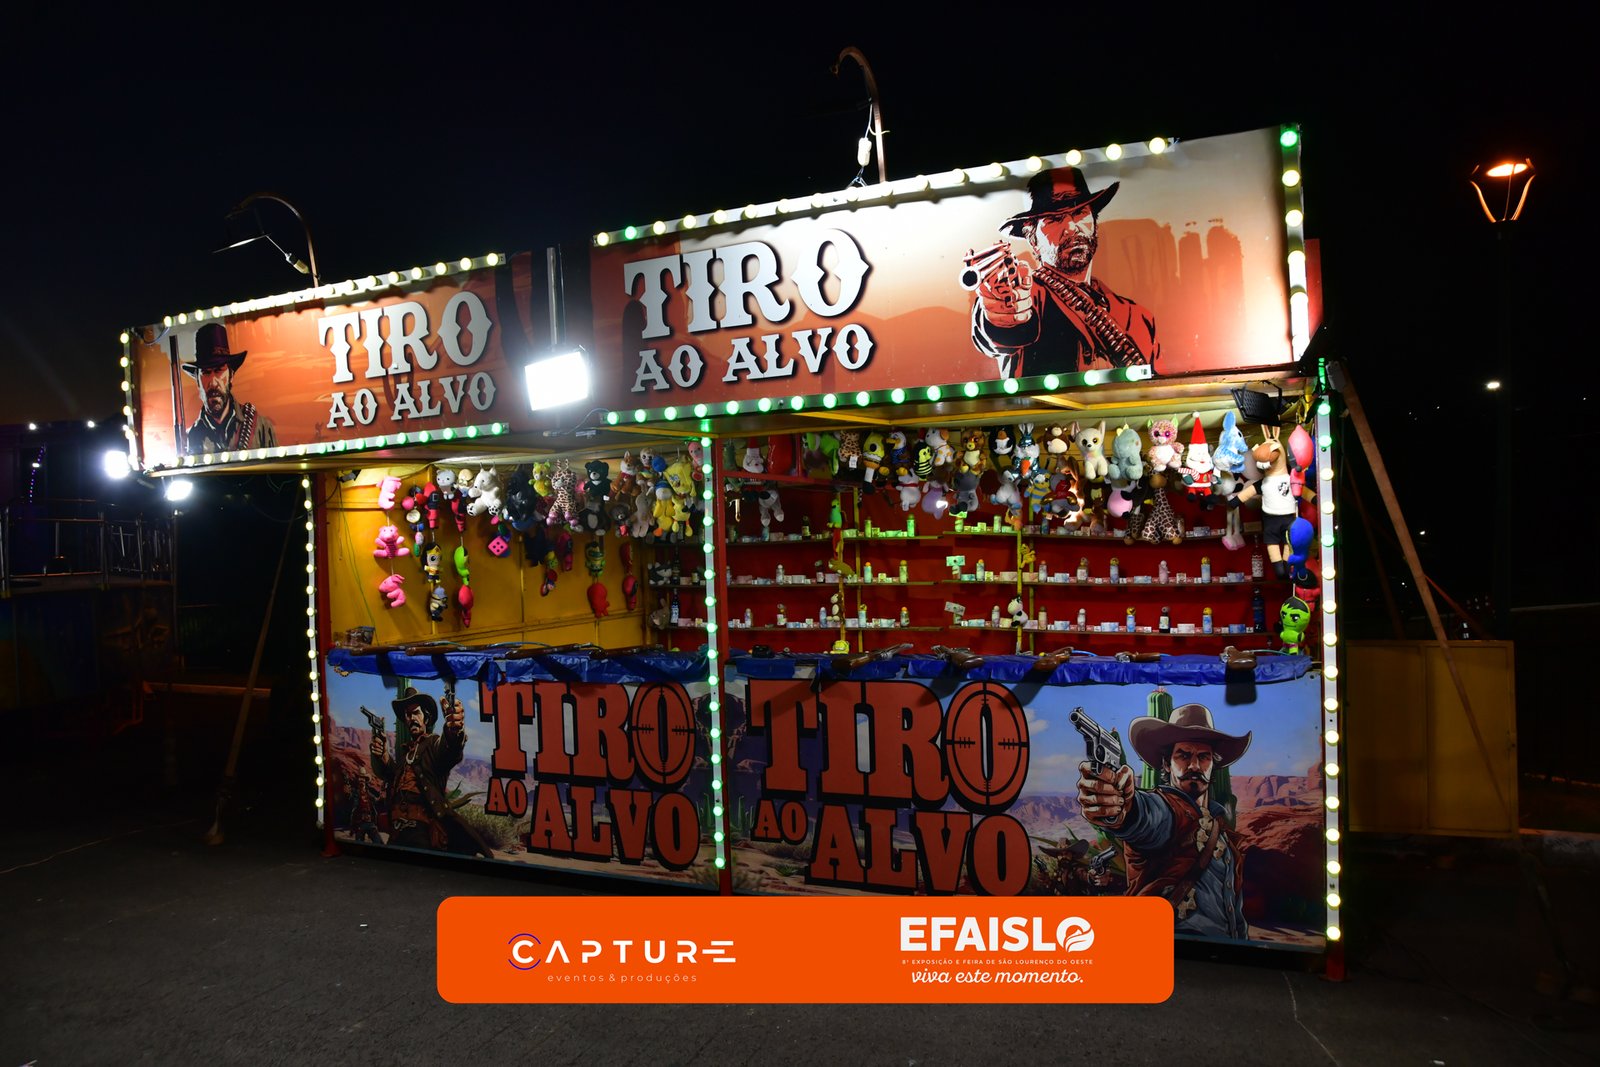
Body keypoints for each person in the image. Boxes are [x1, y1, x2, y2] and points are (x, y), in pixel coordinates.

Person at [1076, 702, 1251, 939]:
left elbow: (1233, 909)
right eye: (1183, 755)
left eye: (1204, 757)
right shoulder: (1165, 810)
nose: (1194, 765)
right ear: (1167, 764)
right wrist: (1122, 808)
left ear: (1213, 765)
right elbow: (1145, 816)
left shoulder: (1221, 830)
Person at [969, 166, 1161, 379]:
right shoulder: (1030, 293)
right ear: (1033, 240)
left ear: (1094, 223)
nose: (1071, 227)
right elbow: (1003, 326)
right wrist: (1003, 311)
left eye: (1079, 213)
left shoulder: (1139, 318)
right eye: (1054, 219)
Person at [369, 686, 487, 856]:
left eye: (416, 713)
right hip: (397, 833)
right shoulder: (406, 754)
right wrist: (383, 756)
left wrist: (453, 730)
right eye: (407, 715)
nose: (411, 718)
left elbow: (448, 749)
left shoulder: (433, 744)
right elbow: (392, 775)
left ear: (426, 717)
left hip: (421, 833)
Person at [183, 322, 277, 455]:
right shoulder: (190, 438)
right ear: (197, 380)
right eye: (206, 372)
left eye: (219, 370)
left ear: (231, 375)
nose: (213, 382)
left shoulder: (260, 427)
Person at [347, 767, 383, 844]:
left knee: (379, 842)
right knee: (359, 844)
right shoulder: (355, 792)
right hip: (359, 823)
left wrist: (381, 797)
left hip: (370, 823)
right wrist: (347, 793)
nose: (362, 780)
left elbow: (376, 800)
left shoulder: (368, 793)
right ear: (358, 779)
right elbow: (349, 797)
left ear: (365, 780)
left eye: (363, 778)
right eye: (360, 778)